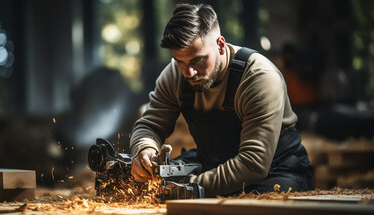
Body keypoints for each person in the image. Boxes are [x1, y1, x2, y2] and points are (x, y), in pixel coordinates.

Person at [130, 3, 313, 197]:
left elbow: (253, 163)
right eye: (180, 61)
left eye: (197, 60)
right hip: (213, 165)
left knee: (250, 208)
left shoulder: (259, 78)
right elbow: (149, 125)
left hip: (273, 171)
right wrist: (145, 149)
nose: (189, 72)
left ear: (220, 45)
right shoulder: (175, 75)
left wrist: (192, 186)